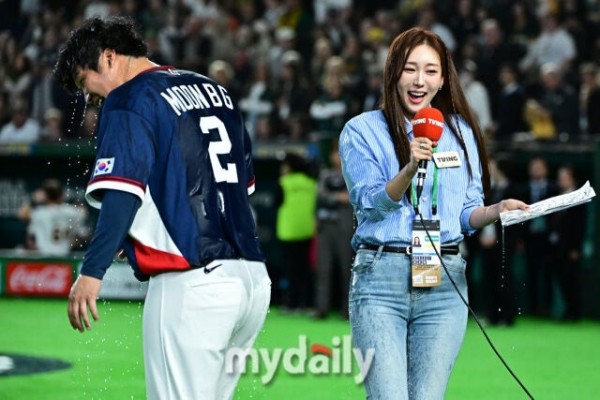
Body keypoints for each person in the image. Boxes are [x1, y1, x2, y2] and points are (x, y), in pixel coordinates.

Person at [53, 16, 270, 400]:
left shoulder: (128, 99)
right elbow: (234, 187)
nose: (89, 98)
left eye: (85, 83)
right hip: (252, 283)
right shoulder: (214, 89)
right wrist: (143, 231)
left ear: (108, 57)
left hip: (193, 284)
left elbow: (122, 194)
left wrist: (91, 272)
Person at [338, 27, 528, 399]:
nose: (419, 80)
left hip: (444, 279)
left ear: (443, 80)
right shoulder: (361, 130)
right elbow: (369, 204)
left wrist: (496, 210)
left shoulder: (462, 132)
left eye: (430, 70)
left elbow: (466, 213)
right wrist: (409, 169)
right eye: (410, 69)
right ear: (393, 73)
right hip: (381, 280)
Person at [314, 140, 354, 320]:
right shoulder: (325, 174)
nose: (336, 157)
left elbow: (353, 197)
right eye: (333, 153)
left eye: (339, 153)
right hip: (325, 225)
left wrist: (339, 197)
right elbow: (320, 195)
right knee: (323, 268)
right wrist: (338, 197)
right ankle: (321, 308)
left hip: (345, 226)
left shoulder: (352, 173)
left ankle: (347, 309)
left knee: (347, 269)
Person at [274, 151, 317, 312]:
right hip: (307, 230)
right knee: (306, 269)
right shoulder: (311, 183)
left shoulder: (283, 182)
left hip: (288, 231)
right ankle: (307, 304)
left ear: (289, 167)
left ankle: (292, 304)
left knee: (291, 269)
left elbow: (276, 201)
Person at [549, 164, 587, 321]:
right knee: (561, 278)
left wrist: (576, 248)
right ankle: (567, 310)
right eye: (560, 177)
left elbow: (580, 225)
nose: (561, 180)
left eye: (564, 177)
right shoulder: (557, 196)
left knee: (571, 279)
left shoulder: (579, 198)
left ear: (573, 179)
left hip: (570, 248)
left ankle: (574, 311)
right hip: (557, 246)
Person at [18, 178, 88, 255]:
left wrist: (33, 199)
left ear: (45, 195)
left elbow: (22, 215)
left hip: (44, 257)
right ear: (61, 194)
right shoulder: (73, 212)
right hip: (65, 257)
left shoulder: (39, 213)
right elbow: (82, 236)